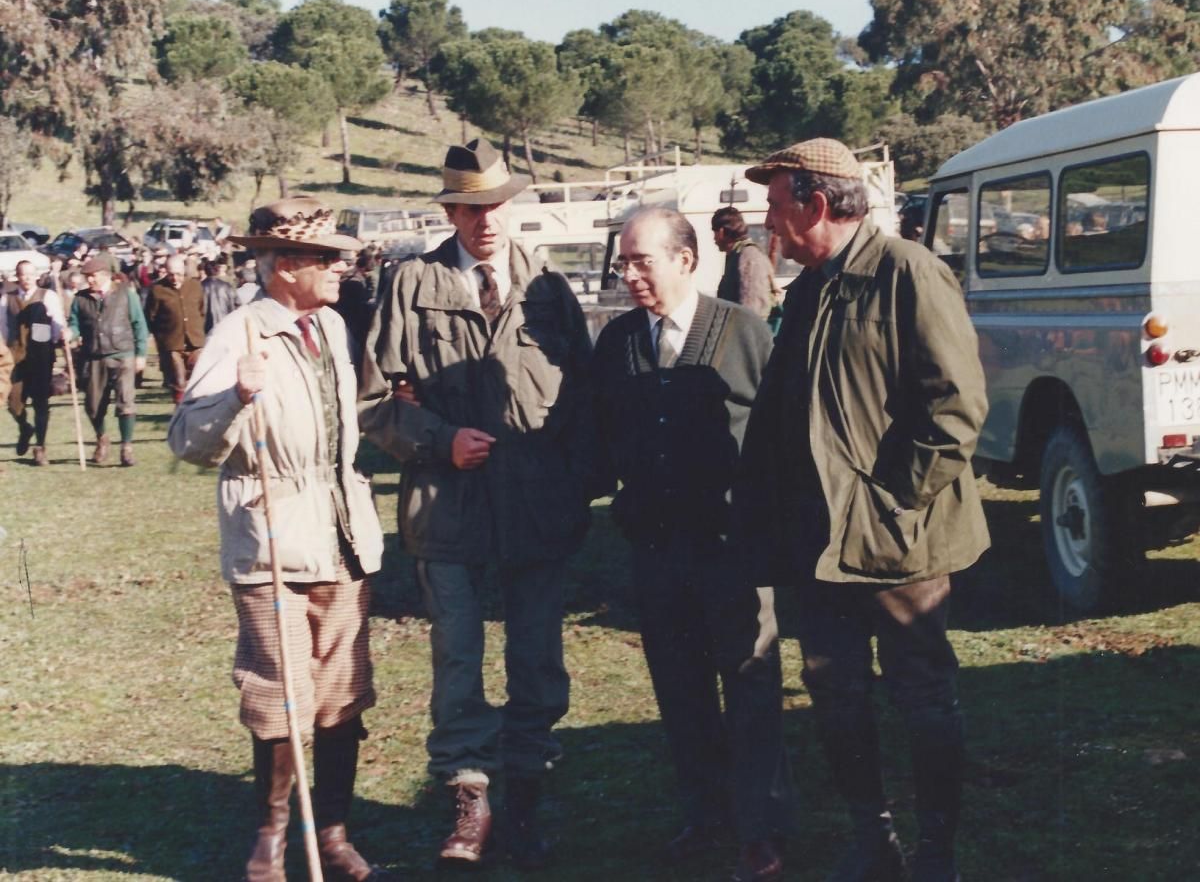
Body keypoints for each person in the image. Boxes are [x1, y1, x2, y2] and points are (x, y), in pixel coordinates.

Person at [736, 139, 990, 882]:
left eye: (777, 205)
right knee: (835, 692)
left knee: (923, 698)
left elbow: (956, 410)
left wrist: (890, 503)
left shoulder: (910, 273)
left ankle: (936, 851)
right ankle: (873, 840)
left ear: (817, 204)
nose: (768, 222)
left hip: (902, 542)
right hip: (818, 547)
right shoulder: (812, 287)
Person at [358, 138, 595, 869]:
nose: (485, 220)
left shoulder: (547, 287)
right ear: (451, 212)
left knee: (537, 659)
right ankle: (468, 802)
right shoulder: (410, 284)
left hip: (534, 503)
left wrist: (575, 485)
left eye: (496, 205)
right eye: (470, 208)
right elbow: (372, 403)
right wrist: (436, 438)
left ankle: (526, 801)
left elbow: (581, 395)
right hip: (448, 502)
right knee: (457, 659)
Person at [167, 198, 387, 882]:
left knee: (343, 692)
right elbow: (187, 441)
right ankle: (271, 835)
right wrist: (235, 396)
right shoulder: (242, 335)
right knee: (280, 695)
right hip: (271, 541)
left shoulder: (334, 329)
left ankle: (336, 832)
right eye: (328, 259)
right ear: (288, 267)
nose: (342, 269)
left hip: (343, 538)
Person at [592, 208, 792, 882]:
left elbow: (782, 439)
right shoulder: (617, 342)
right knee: (680, 689)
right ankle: (705, 817)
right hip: (657, 553)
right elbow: (601, 433)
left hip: (734, 551)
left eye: (641, 260)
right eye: (623, 262)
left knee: (751, 684)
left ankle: (761, 830)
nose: (629, 275)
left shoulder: (744, 332)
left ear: (686, 259)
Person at [68, 254, 148, 467]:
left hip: (123, 355)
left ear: (104, 275)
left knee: (126, 403)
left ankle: (127, 448)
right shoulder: (80, 299)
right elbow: (75, 323)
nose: (89, 280)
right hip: (93, 357)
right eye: (87, 276)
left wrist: (141, 354)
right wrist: (70, 333)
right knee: (93, 406)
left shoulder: (126, 294)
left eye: (92, 276)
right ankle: (102, 438)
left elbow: (139, 324)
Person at [3, 261, 65, 466]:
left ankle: (40, 446)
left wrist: (59, 339)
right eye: (23, 275)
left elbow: (56, 324)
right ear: (17, 276)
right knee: (13, 402)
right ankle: (24, 427)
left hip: (40, 357)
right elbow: (3, 326)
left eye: (30, 274)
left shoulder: (48, 296)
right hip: (15, 358)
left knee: (41, 403)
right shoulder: (7, 299)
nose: (27, 278)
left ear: (36, 276)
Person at [144, 253, 206, 403]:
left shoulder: (195, 286)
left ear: (184, 271)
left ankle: (196, 411)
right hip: (172, 344)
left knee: (198, 379)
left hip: (195, 342)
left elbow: (202, 310)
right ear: (165, 271)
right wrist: (161, 338)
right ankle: (180, 411)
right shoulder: (157, 290)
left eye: (178, 274)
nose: (175, 278)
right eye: (171, 275)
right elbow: (150, 317)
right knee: (179, 383)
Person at [712, 206, 777, 321]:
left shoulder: (749, 256)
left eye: (714, 232)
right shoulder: (735, 255)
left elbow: (753, 310)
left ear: (721, 232)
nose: (714, 239)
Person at [202, 258, 238, 333]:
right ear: (217, 270)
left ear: (205, 271)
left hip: (207, 326)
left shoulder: (200, 286)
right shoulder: (227, 286)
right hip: (225, 323)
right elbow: (235, 304)